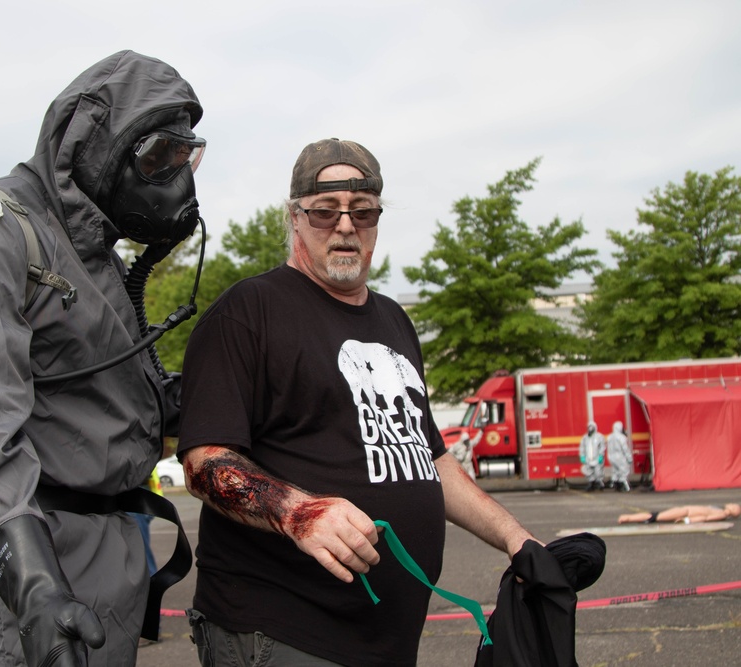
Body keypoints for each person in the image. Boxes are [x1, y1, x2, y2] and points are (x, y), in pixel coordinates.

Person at [176, 138, 538, 666]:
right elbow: (204, 464)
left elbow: (428, 457)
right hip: (282, 631)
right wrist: (299, 512)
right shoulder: (248, 311)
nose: (346, 226)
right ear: (295, 217)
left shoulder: (394, 320)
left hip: (387, 643)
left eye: (363, 211)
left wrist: (516, 538)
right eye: (326, 211)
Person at [0, 51, 204, 667]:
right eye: (156, 158)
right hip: (29, 569)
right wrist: (34, 586)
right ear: (91, 146)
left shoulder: (97, 262)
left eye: (186, 157)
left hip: (112, 561)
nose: (174, 180)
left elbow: (108, 406)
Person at [618, 503, 741, 524]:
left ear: (734, 511)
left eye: (734, 506)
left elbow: (706, 518)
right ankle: (628, 518)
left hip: (685, 512)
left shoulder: (722, 514)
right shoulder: (719, 510)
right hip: (684, 510)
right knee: (656, 515)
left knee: (656, 516)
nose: (732, 504)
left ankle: (627, 518)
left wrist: (688, 521)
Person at [607, 421, 633, 492]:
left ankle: (615, 484)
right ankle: (625, 486)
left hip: (611, 457)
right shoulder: (621, 437)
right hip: (620, 456)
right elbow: (625, 449)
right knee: (624, 471)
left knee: (616, 471)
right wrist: (629, 458)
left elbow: (608, 448)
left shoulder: (610, 437)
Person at [580, 421, 606, 491]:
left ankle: (600, 483)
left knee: (598, 472)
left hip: (597, 458)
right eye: (589, 427)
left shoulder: (599, 437)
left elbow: (602, 447)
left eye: (591, 427)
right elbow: (582, 447)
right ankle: (591, 483)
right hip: (588, 459)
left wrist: (601, 455)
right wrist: (582, 456)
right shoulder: (585, 438)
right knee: (588, 471)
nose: (590, 429)